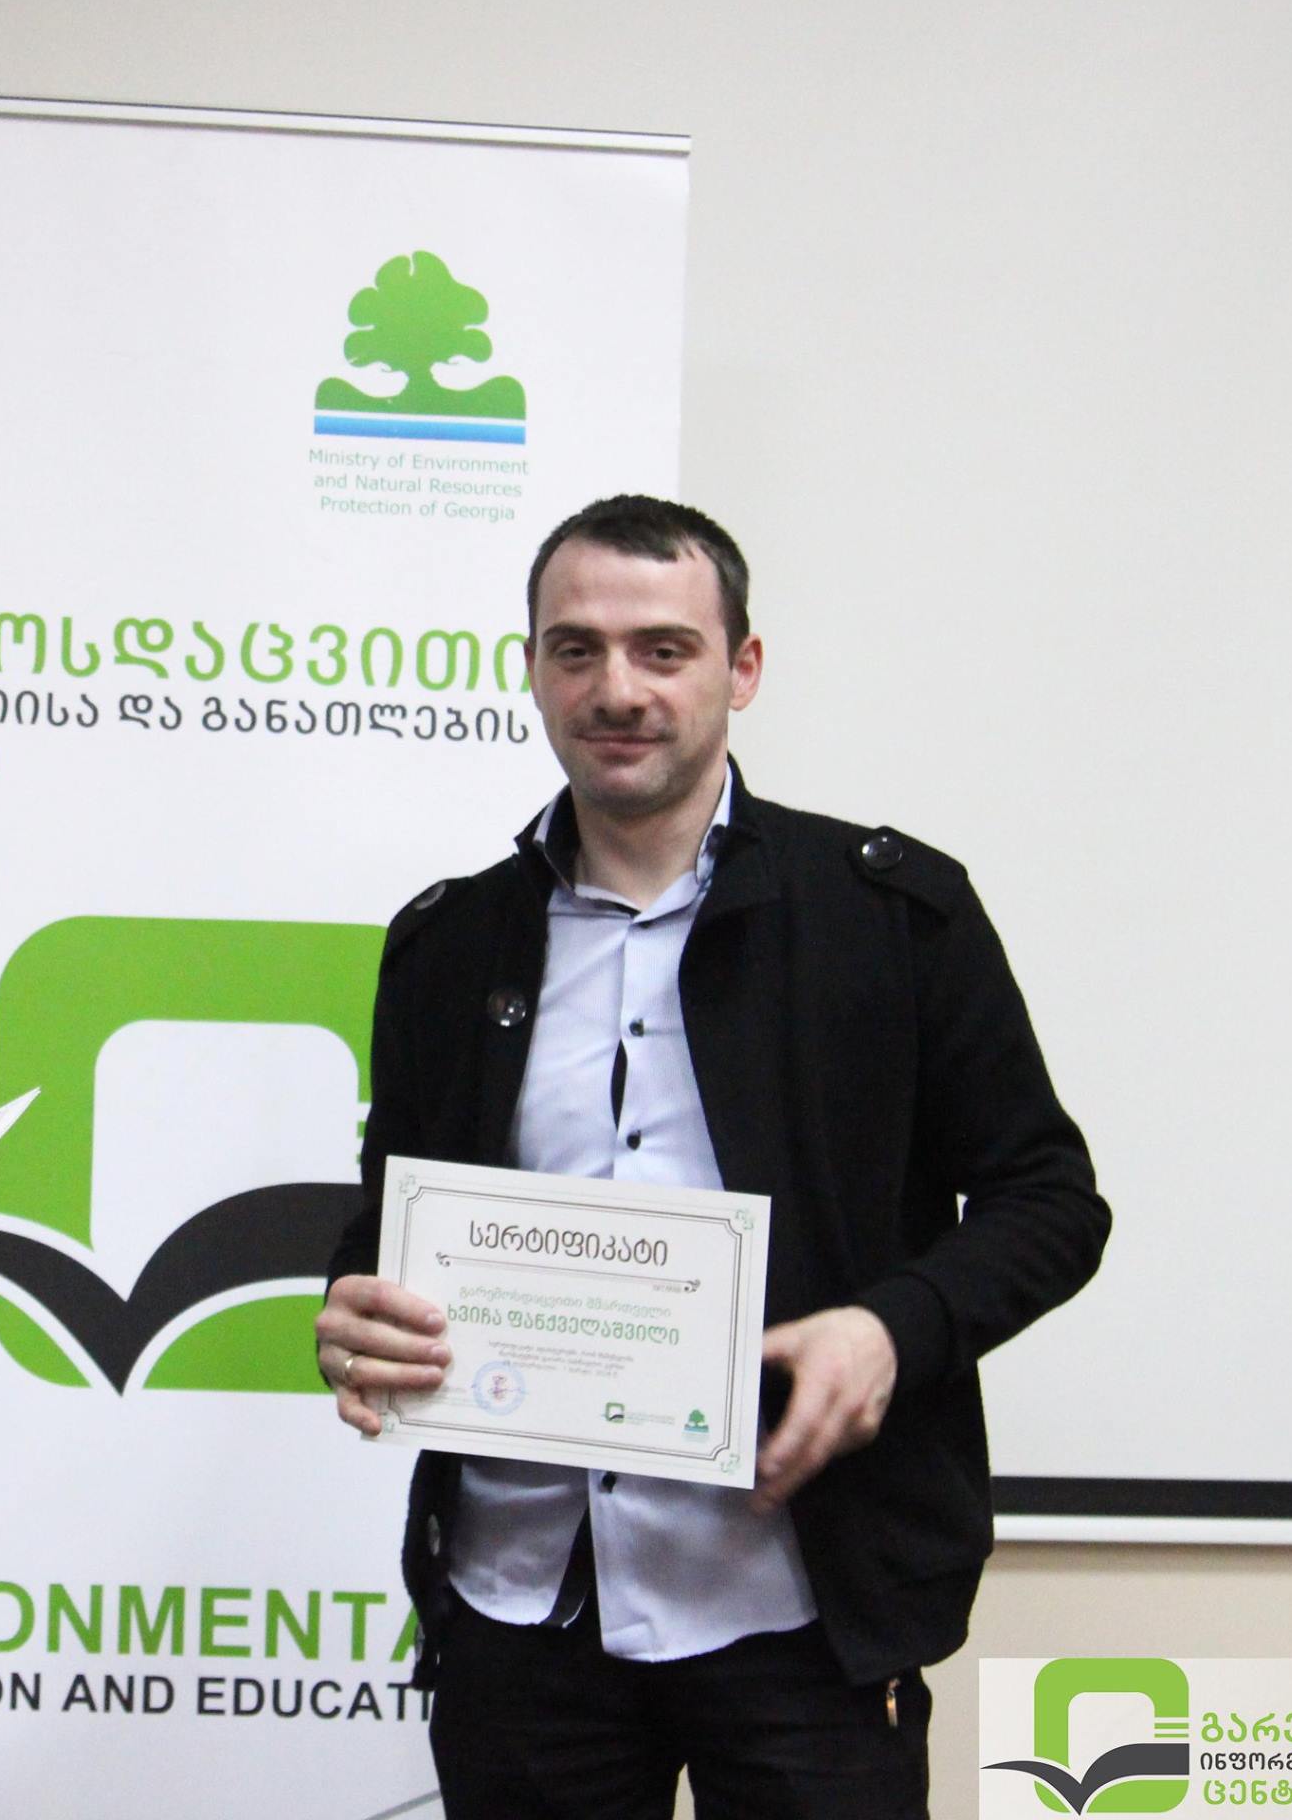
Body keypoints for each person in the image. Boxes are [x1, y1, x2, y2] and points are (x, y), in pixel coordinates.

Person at [316, 494, 1110, 1819]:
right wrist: (354, 1311)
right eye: (576, 649)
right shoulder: (450, 945)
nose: (617, 689)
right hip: (520, 1613)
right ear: (531, 669)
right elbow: (389, 1215)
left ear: (742, 669)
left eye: (663, 650)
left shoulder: (892, 917)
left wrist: (890, 1330)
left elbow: (1051, 1201)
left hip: (806, 1611)